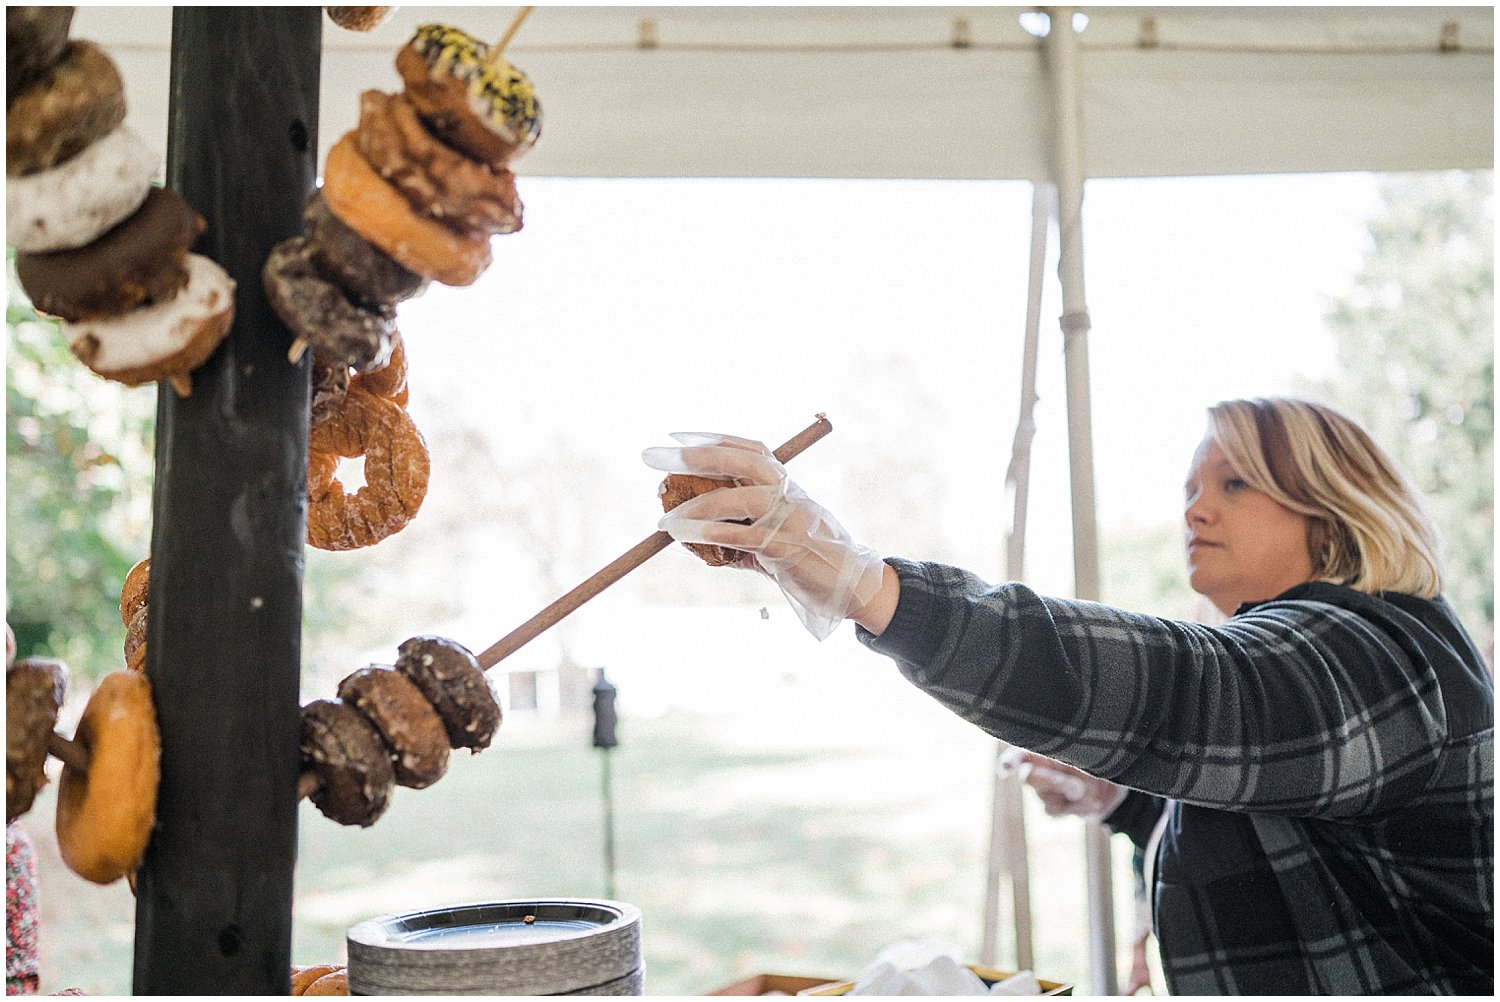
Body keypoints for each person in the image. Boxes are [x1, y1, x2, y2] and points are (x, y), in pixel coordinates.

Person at [643, 397, 1494, 995]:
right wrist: (1127, 804)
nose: (1196, 507)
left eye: (1235, 483)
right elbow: (1299, 851)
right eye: (1192, 486)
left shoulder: (1379, 654)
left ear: (1335, 509)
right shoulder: (1324, 661)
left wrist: (864, 583)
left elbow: (1183, 689)